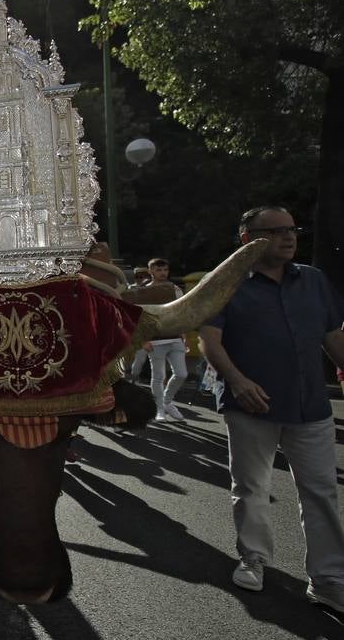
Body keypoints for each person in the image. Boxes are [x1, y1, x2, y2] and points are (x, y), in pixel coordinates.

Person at [199, 206, 344, 612]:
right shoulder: (225, 282)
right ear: (248, 238)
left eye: (292, 229)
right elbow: (211, 341)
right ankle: (254, 559)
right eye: (276, 231)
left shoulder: (313, 280)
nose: (289, 236)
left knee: (320, 492)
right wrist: (237, 380)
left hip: (311, 405)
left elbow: (332, 337)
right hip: (251, 405)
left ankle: (329, 578)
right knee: (251, 487)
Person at [143, 258, 188, 420]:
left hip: (175, 337)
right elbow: (138, 317)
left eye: (165, 270)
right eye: (158, 270)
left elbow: (181, 312)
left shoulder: (175, 289)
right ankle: (159, 408)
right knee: (158, 376)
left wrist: (184, 333)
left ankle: (167, 402)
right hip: (155, 340)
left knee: (182, 374)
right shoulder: (143, 291)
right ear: (151, 271)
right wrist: (142, 340)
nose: (162, 273)